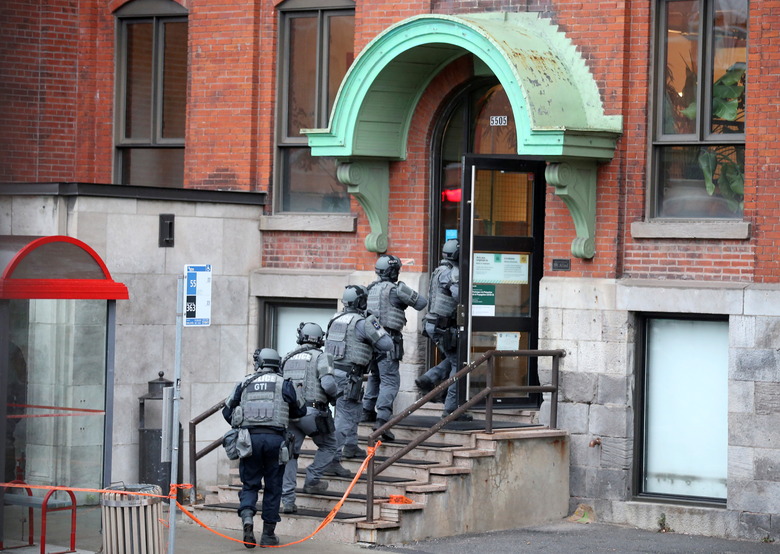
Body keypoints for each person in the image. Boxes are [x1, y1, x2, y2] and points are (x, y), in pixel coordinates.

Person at [222, 347, 306, 548]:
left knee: (250, 484)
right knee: (273, 486)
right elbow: (300, 410)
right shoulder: (285, 384)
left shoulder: (244, 382)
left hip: (249, 440)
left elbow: (227, 412)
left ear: (259, 363)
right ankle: (268, 535)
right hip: (276, 441)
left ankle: (248, 518)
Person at [279, 322, 344, 515]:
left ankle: (288, 501)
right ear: (320, 339)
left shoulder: (287, 358)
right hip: (312, 413)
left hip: (290, 415)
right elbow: (329, 384)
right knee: (330, 445)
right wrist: (336, 395)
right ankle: (312, 478)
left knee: (290, 456)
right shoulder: (322, 356)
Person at [325, 285, 394, 464]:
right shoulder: (363, 322)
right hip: (349, 376)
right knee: (345, 417)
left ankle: (351, 446)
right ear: (361, 301)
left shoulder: (336, 318)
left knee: (354, 410)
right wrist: (374, 322)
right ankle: (332, 459)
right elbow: (387, 344)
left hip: (333, 373)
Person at [362, 255, 427, 441]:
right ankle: (383, 421)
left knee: (375, 376)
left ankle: (367, 410)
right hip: (388, 339)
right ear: (393, 271)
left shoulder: (370, 289)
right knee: (390, 380)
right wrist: (404, 292)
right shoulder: (396, 290)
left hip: (371, 340)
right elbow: (421, 303)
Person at [415, 239, 472, 421]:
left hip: (434, 323)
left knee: (454, 358)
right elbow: (459, 295)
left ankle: (429, 378)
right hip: (443, 325)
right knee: (459, 364)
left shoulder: (439, 270)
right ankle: (451, 409)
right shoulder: (451, 273)